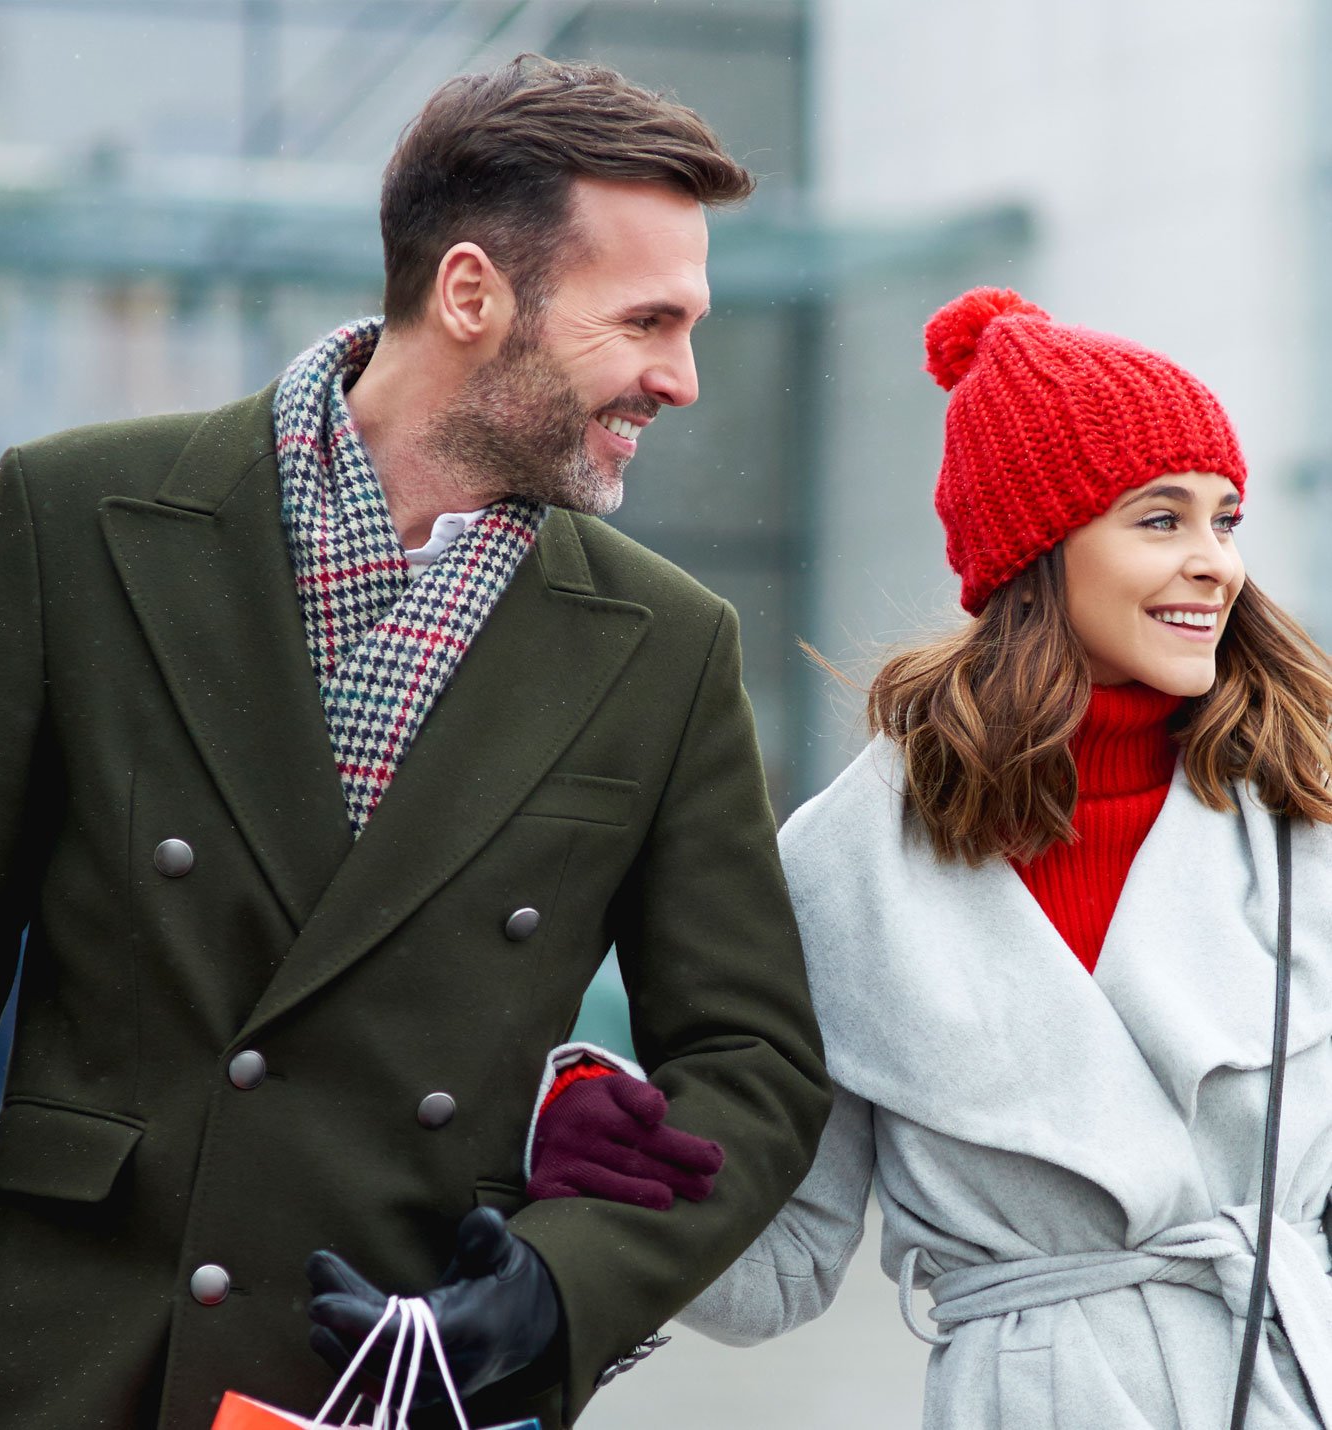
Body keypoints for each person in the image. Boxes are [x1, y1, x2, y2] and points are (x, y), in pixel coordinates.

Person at [0, 55, 830, 1430]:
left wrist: (562, 1288)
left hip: (389, 1379)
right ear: (470, 294)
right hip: (73, 1364)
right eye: (646, 320)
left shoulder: (663, 642)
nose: (680, 379)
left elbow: (753, 1070)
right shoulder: (77, 519)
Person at [532, 288, 1332, 1426]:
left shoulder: (1299, 811)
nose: (1215, 564)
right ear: (1035, 550)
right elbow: (785, 1266)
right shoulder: (848, 864)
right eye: (1159, 521)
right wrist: (615, 1170)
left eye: (1225, 519)